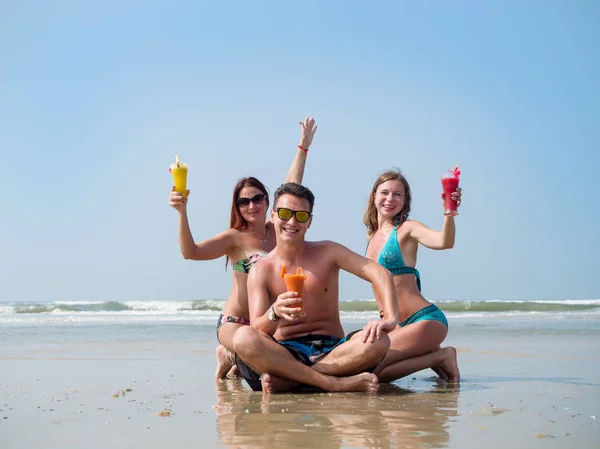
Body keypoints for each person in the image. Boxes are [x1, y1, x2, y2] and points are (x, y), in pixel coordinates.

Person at [168, 118, 318, 379]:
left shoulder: (280, 230)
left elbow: (292, 186)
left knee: (287, 360)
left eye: (257, 198)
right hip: (235, 324)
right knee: (268, 365)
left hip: (269, 323)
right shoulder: (234, 238)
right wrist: (182, 211)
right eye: (244, 201)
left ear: (268, 201)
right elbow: (189, 252)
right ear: (237, 207)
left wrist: (302, 147)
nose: (252, 206)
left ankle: (240, 359)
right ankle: (227, 353)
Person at [233, 182, 400, 394]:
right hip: (287, 351)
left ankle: (293, 379)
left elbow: (379, 273)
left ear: (309, 221)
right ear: (273, 215)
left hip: (334, 351)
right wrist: (274, 313)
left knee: (379, 340)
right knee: (243, 338)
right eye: (285, 213)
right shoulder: (261, 270)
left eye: (301, 215)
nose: (292, 221)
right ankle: (332, 383)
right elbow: (257, 329)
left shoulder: (327, 251)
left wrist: (390, 318)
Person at [363, 169, 461, 383]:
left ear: (405, 201)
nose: (390, 199)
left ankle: (442, 356)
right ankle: (434, 357)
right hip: (399, 326)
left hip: (425, 320)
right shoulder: (370, 236)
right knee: (367, 368)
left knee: (374, 372)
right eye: (385, 192)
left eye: (398, 194)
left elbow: (444, 242)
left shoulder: (407, 229)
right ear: (374, 196)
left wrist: (449, 213)